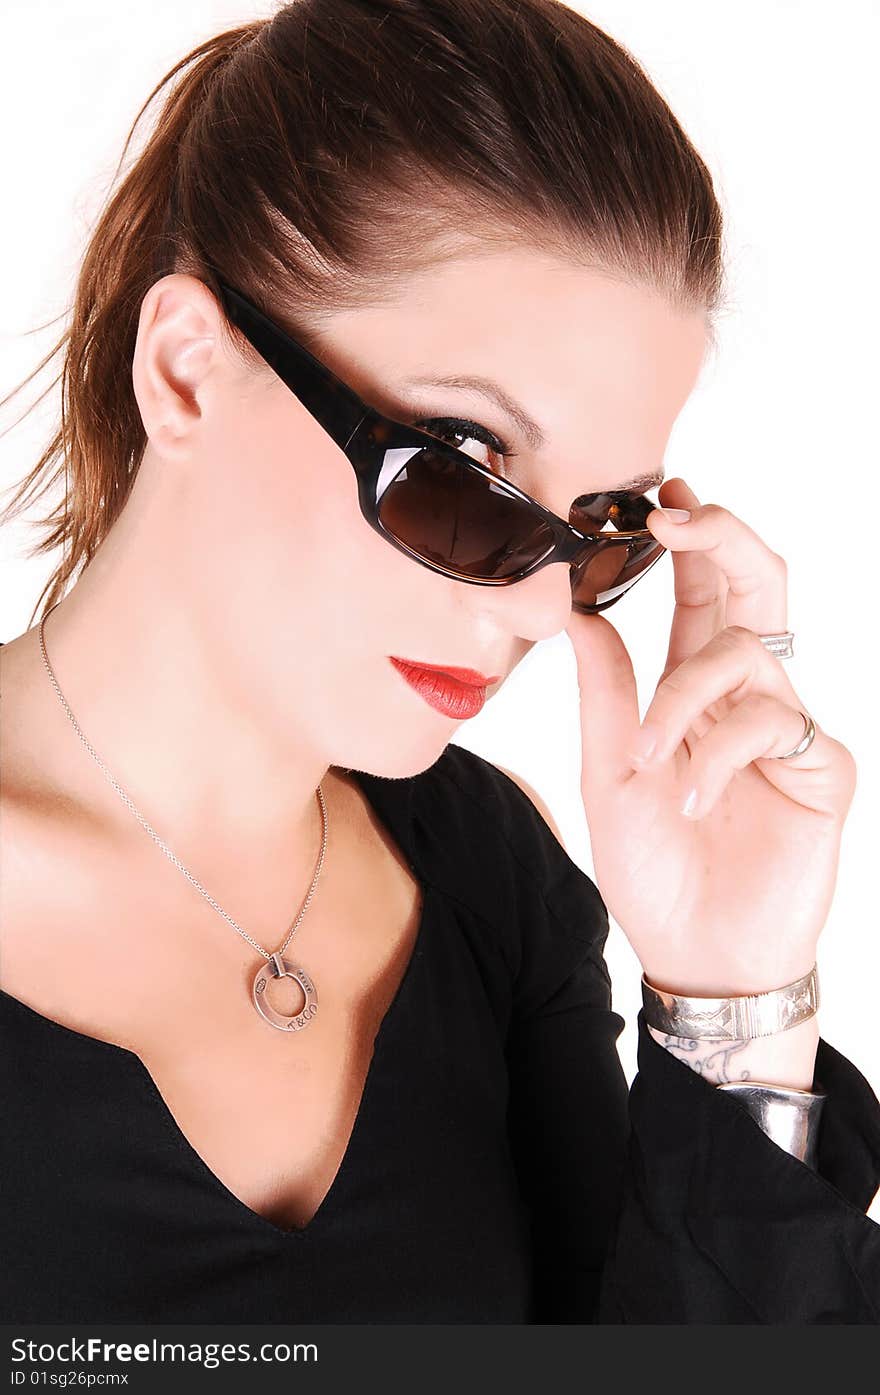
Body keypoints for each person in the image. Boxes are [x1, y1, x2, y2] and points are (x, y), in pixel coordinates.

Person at [1, 0, 878, 1325]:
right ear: (187, 372)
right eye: (462, 471)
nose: (539, 610)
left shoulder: (482, 875)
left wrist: (735, 1001)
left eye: (601, 529)